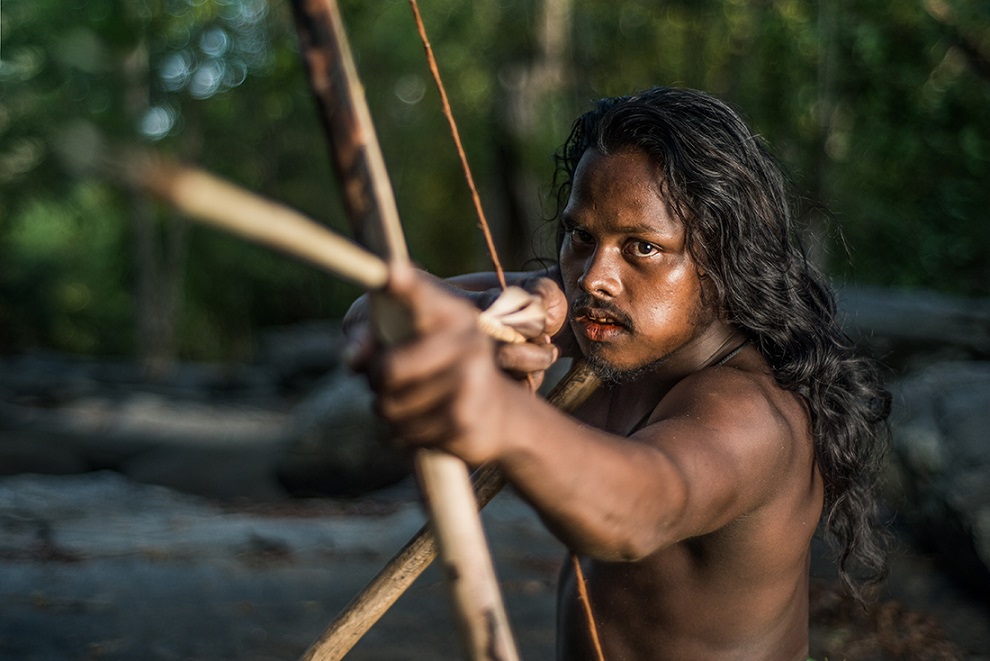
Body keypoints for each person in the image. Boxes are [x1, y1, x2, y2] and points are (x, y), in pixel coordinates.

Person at [344, 86, 890, 660]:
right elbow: (374, 316)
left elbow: (635, 511)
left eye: (642, 247)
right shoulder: (614, 324)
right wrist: (507, 306)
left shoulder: (752, 414)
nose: (595, 278)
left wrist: (502, 415)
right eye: (583, 237)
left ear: (725, 256)